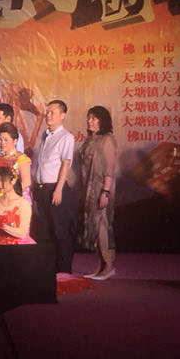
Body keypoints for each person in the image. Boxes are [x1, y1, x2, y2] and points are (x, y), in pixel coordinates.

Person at [32, 99, 76, 274]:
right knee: (46, 231)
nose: (48, 115)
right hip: (42, 188)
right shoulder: (45, 135)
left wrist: (58, 189)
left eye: (52, 112)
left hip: (55, 188)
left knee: (60, 230)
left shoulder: (66, 137)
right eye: (47, 112)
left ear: (62, 115)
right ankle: (50, 268)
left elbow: (66, 164)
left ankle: (64, 270)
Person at [77, 106, 117, 280]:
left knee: (102, 226)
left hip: (101, 189)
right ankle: (100, 266)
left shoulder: (107, 140)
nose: (90, 121)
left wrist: (105, 192)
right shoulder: (89, 140)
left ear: (102, 120)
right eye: (89, 118)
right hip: (89, 190)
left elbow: (109, 169)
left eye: (94, 118)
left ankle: (109, 265)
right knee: (93, 226)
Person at [0, 122, 32, 204]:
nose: (2, 143)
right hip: (3, 198)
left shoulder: (21, 158)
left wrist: (11, 195)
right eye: (0, 140)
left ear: (15, 141)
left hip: (18, 199)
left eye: (6, 140)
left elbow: (26, 181)